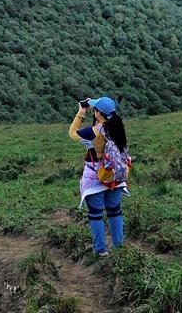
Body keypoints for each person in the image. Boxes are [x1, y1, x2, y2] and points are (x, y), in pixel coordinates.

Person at [69, 96, 131, 257]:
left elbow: (72, 134)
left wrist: (81, 113)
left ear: (98, 113)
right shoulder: (117, 127)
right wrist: (94, 107)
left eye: (95, 109)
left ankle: (101, 250)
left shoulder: (94, 132)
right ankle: (119, 247)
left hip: (96, 176)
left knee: (96, 214)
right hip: (116, 175)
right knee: (115, 211)